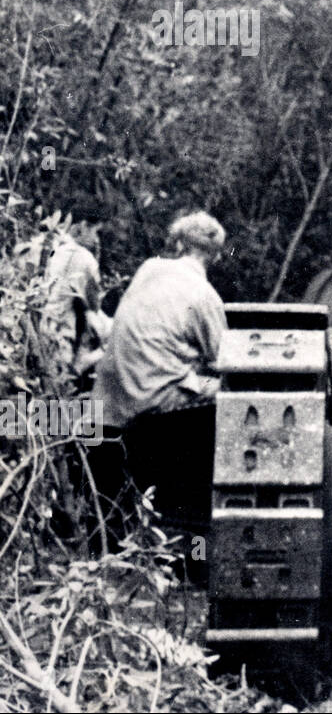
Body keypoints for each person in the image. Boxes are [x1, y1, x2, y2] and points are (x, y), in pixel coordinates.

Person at [93, 212, 228, 538]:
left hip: (111, 399)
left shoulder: (148, 270)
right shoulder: (204, 295)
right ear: (217, 255)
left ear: (177, 244)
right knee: (230, 393)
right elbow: (224, 358)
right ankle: (199, 527)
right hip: (156, 405)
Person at [40, 218, 111, 385]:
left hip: (40, 325)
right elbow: (94, 306)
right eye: (95, 232)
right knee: (57, 391)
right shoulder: (84, 258)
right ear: (84, 226)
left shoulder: (53, 247)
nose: (96, 240)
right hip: (59, 333)